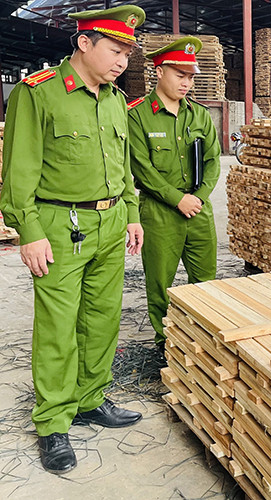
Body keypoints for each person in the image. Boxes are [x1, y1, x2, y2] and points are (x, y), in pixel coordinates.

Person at [0, 5, 146, 475]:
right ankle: (52, 423)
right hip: (61, 227)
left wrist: (132, 214)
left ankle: (89, 400)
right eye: (115, 49)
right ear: (84, 43)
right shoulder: (39, 93)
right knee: (59, 327)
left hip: (110, 224)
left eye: (127, 51)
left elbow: (123, 166)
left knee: (102, 319)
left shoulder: (114, 100)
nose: (122, 60)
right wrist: (30, 231)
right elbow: (18, 171)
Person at [128, 36, 221, 350]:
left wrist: (200, 196)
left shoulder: (200, 115)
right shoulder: (138, 115)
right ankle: (165, 344)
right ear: (160, 71)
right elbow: (141, 168)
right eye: (180, 75)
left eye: (191, 76)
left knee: (206, 282)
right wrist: (176, 198)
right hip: (159, 212)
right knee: (160, 285)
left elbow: (212, 161)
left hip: (198, 208)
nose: (186, 83)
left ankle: (204, 343)